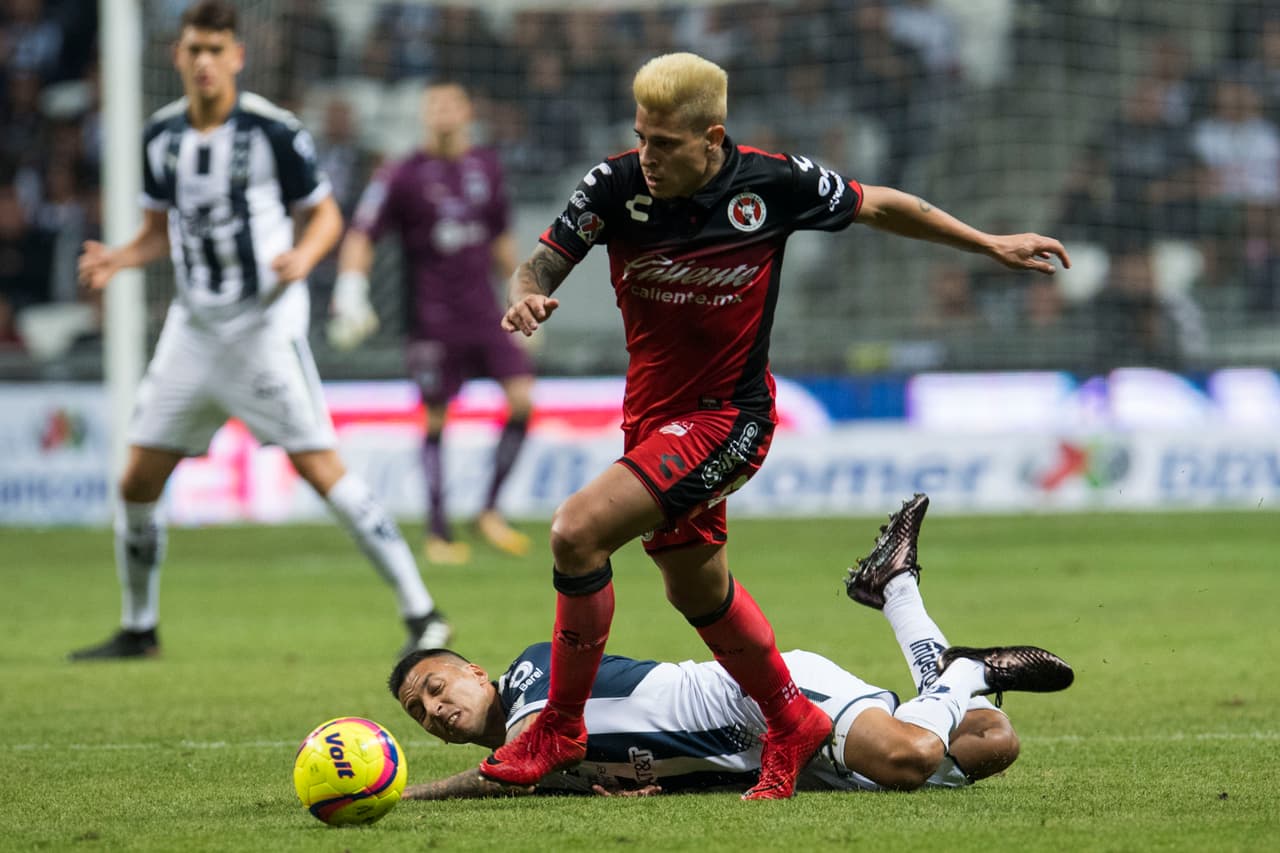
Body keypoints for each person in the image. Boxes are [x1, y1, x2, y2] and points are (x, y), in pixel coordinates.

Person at [485, 52, 1071, 800]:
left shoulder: (772, 184)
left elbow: (882, 204)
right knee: (695, 589)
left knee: (575, 531)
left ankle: (560, 727)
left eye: (664, 142)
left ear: (711, 137)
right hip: (652, 425)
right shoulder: (615, 185)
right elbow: (537, 265)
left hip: (730, 418)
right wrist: (525, 296)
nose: (648, 156)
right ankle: (789, 718)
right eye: (640, 136)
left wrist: (988, 243)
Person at [68, 1, 450, 661]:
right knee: (136, 479)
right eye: (195, 49)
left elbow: (326, 215)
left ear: (237, 57)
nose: (206, 61)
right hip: (192, 330)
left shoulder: (274, 131)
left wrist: (303, 258)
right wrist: (120, 258)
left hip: (262, 328)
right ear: (178, 57)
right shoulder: (160, 137)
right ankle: (139, 627)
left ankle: (423, 612)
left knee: (322, 468)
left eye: (217, 49)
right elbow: (160, 231)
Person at [388, 494, 1075, 799]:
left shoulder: (535, 674)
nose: (435, 708)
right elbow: (528, 775)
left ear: (477, 671)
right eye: (420, 712)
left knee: (912, 755)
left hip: (760, 702)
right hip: (763, 762)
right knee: (992, 736)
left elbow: (514, 760)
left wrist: (400, 794)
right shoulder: (528, 769)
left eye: (438, 686)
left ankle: (965, 667)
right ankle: (895, 590)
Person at [330, 81, 535, 566]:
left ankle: (488, 510)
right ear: (425, 115)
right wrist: (351, 288)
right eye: (434, 106)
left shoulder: (486, 166)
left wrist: (522, 292)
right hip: (432, 318)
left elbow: (500, 239)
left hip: (487, 312)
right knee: (437, 416)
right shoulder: (402, 174)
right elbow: (362, 233)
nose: (443, 113)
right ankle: (440, 530)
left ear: (467, 112)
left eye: (451, 104)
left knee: (523, 399)